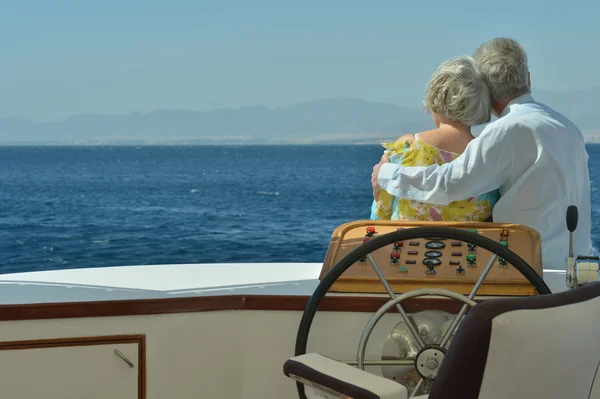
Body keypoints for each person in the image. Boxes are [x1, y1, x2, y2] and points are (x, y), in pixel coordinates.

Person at [371, 37, 593, 270]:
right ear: (528, 79)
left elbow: (451, 183)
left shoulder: (507, 130)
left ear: (485, 91)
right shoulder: (568, 127)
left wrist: (386, 175)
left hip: (530, 270)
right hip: (578, 269)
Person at [370, 56, 499, 222]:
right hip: (471, 248)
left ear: (437, 96)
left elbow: (381, 213)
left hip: (404, 245)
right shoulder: (488, 159)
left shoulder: (408, 148)